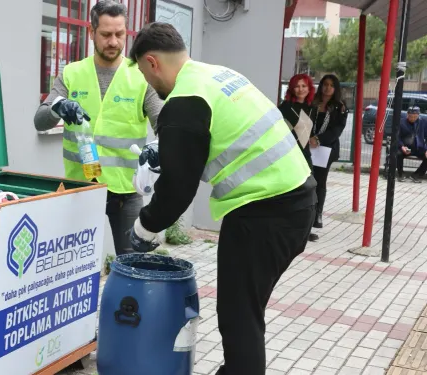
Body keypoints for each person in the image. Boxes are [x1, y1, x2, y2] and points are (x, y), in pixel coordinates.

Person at [126, 22, 317, 375]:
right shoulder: (215, 75)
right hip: (296, 201)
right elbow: (219, 140)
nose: (149, 84)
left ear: (152, 62)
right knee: (246, 309)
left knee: (238, 314)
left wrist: (145, 227)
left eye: (143, 73)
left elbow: (177, 189)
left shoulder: (183, 102)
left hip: (264, 214)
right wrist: (163, 151)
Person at [33, 1, 163, 255]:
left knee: (133, 265)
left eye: (119, 34)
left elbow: (164, 124)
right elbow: (39, 121)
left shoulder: (141, 76)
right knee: (70, 265)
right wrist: (58, 107)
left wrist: (159, 147)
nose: (113, 42)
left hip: (126, 191)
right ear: (92, 32)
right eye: (105, 34)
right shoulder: (71, 73)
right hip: (79, 188)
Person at [278, 74, 319, 242]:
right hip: (289, 154)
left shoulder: (312, 108)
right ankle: (285, 226)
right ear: (292, 89)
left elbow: (310, 131)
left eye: (304, 86)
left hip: (305, 154)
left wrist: (314, 137)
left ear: (309, 88)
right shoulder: (285, 107)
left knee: (308, 191)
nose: (300, 89)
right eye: (297, 86)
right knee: (289, 190)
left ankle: (305, 229)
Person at [309, 74, 348, 229]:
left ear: (335, 88)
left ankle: (318, 214)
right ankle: (306, 212)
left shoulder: (340, 107)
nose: (328, 88)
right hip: (307, 145)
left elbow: (337, 130)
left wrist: (318, 139)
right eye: (325, 84)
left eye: (332, 85)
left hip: (326, 148)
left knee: (319, 181)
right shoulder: (312, 102)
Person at [396, 106, 427, 183]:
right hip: (405, 147)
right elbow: (397, 137)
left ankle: (416, 175)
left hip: (418, 147)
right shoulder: (401, 122)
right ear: (407, 115)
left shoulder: (423, 122)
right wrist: (402, 146)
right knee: (398, 154)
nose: (412, 118)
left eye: (415, 117)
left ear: (418, 115)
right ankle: (401, 174)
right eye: (410, 116)